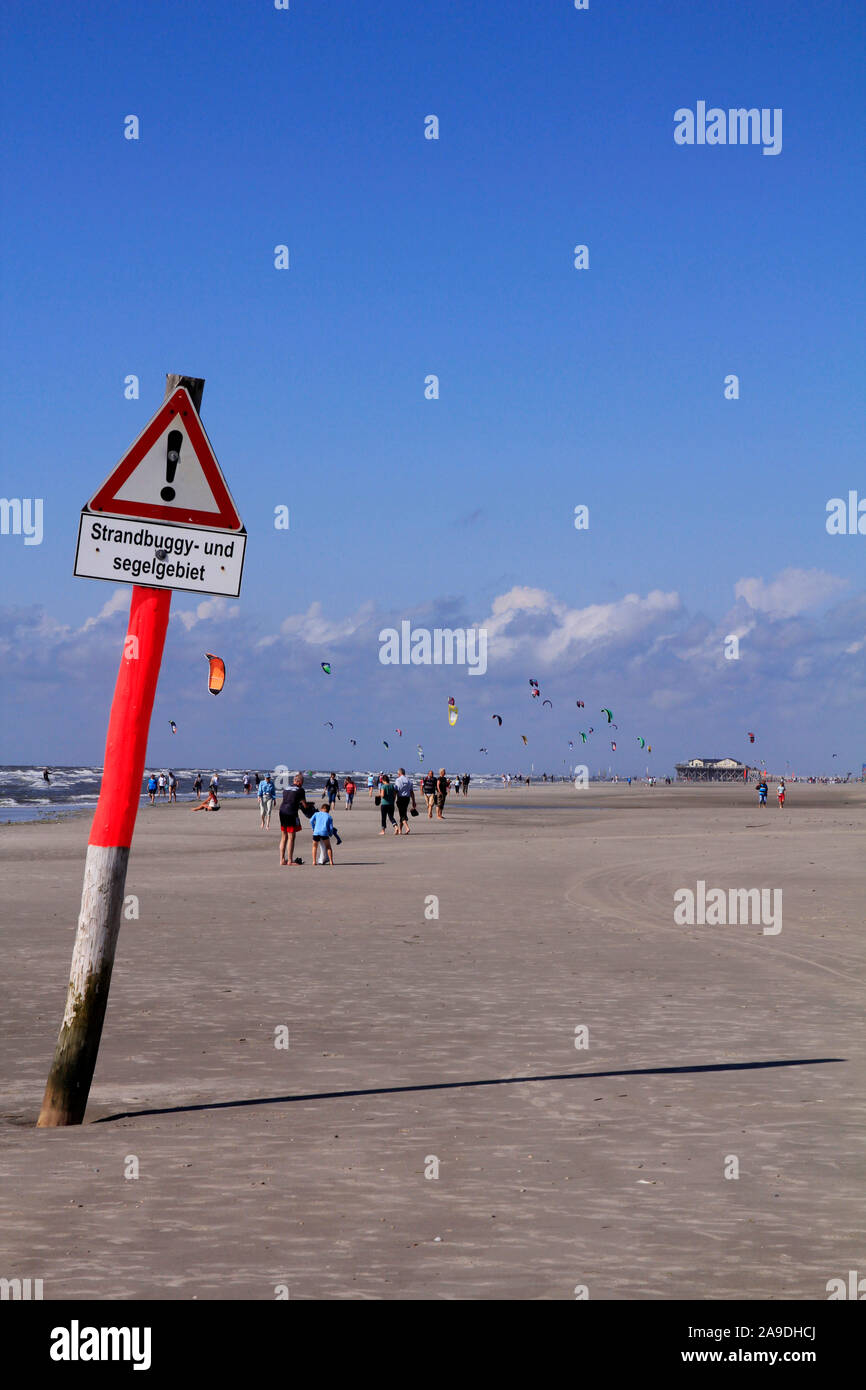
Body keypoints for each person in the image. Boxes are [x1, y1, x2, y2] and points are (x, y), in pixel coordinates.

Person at [278, 774, 314, 865]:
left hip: (282, 811)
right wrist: (311, 804)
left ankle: (282, 859)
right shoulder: (300, 790)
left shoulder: (286, 788)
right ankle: (290, 860)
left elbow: (290, 799)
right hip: (291, 813)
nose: (302, 784)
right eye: (302, 782)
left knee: (284, 836)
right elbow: (304, 806)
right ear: (298, 781)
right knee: (291, 837)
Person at [394, 768, 416, 834]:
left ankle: (407, 827)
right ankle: (400, 830)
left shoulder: (398, 780)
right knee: (403, 813)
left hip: (400, 798)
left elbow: (396, 790)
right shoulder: (409, 780)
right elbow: (412, 792)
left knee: (402, 814)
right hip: (407, 799)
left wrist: (393, 799)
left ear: (399, 773)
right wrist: (413, 801)